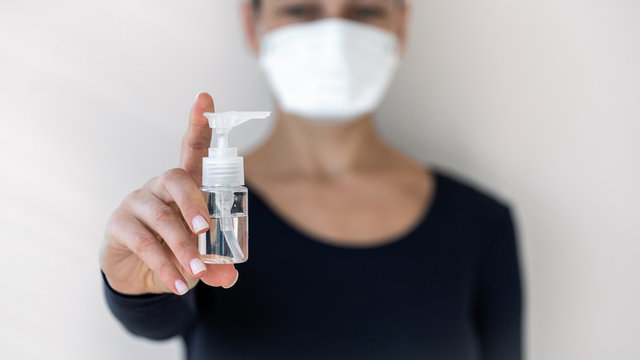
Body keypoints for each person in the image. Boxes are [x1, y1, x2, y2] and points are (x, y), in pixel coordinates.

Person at [100, 0, 522, 359]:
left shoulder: (480, 226)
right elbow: (154, 316)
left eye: (365, 9)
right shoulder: (207, 219)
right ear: (253, 24)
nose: (334, 37)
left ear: (402, 24)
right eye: (301, 8)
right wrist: (137, 279)